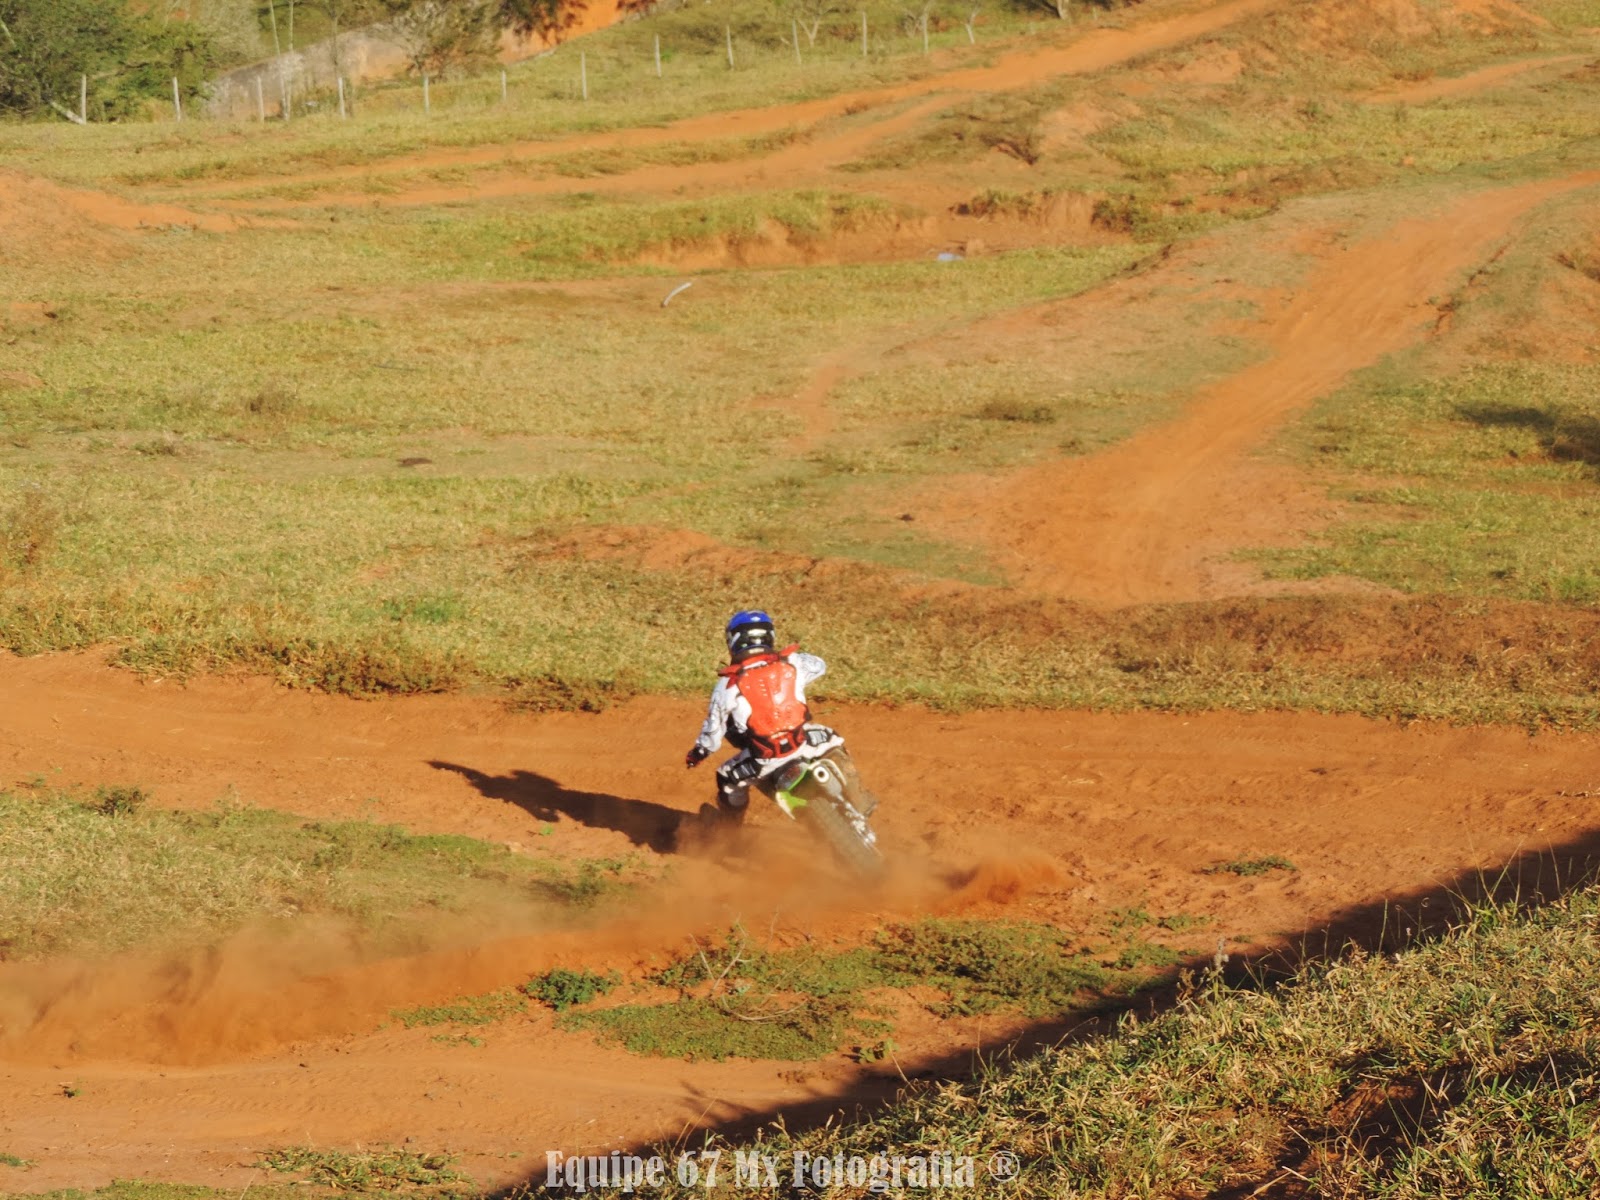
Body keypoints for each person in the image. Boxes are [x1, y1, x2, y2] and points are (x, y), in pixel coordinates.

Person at [684, 610, 828, 823]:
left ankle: (729, 829)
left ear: (733, 641)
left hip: (765, 761)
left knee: (725, 778)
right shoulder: (793, 663)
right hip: (805, 743)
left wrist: (697, 754)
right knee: (834, 738)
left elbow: (713, 733)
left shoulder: (727, 685)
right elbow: (820, 666)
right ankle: (855, 792)